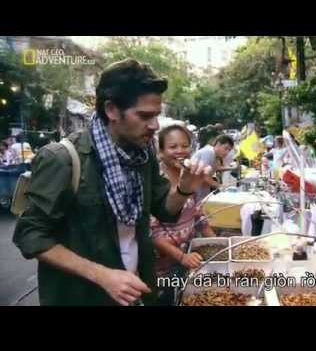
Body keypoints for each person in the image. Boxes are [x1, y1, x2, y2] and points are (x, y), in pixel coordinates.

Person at [13, 59, 212, 306]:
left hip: (138, 291)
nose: (154, 125)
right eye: (144, 115)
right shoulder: (63, 159)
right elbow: (31, 236)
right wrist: (102, 275)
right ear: (111, 110)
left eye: (156, 115)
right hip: (83, 297)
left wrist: (184, 188)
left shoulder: (143, 153)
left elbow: (163, 209)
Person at [150, 124, 216, 305]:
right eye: (173, 147)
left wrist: (220, 244)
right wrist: (181, 257)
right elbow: (152, 233)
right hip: (162, 267)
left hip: (187, 256)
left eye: (185, 145)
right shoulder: (155, 180)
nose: (180, 151)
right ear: (161, 151)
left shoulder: (187, 174)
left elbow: (197, 214)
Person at [192, 134, 234, 201]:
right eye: (226, 148)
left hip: (201, 191)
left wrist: (232, 168)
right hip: (195, 193)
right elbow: (205, 178)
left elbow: (215, 168)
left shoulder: (213, 154)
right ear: (218, 144)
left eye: (229, 150)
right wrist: (222, 186)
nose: (227, 152)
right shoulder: (209, 153)